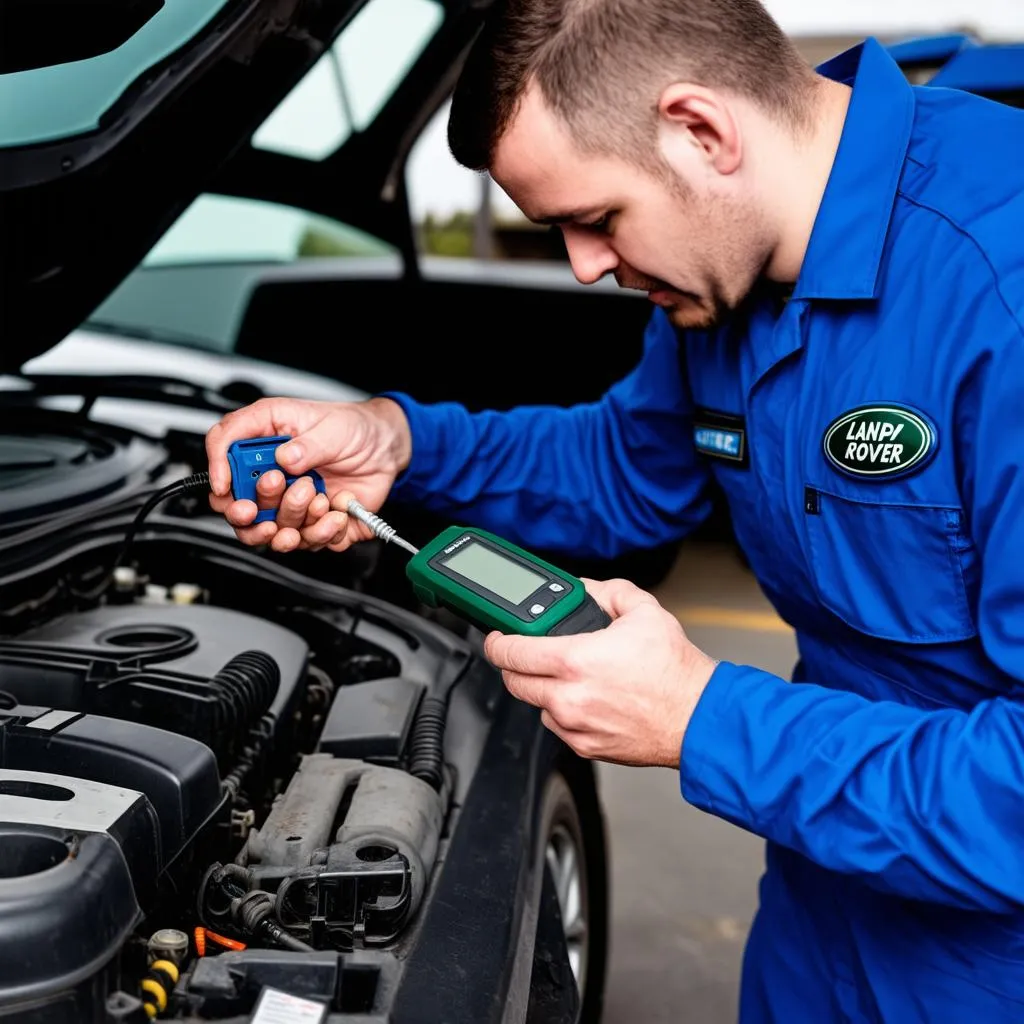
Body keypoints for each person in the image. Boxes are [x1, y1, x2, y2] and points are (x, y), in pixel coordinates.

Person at [205, 0, 1024, 1019]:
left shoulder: (1000, 281)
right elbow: (626, 468)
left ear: (702, 130)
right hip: (827, 899)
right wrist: (404, 442)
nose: (586, 265)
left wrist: (699, 717)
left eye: (595, 218)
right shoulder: (720, 272)